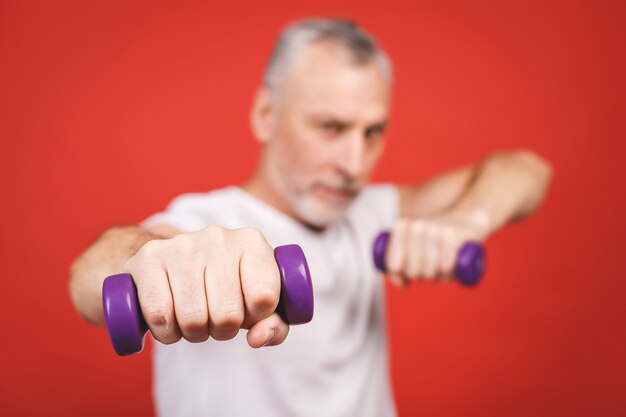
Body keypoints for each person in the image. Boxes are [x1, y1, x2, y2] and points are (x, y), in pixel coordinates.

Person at [69, 18, 552, 417]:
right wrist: (149, 263)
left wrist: (468, 221)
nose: (354, 163)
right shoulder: (203, 223)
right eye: (331, 127)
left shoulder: (372, 213)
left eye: (373, 132)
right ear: (265, 114)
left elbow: (527, 169)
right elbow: (92, 274)